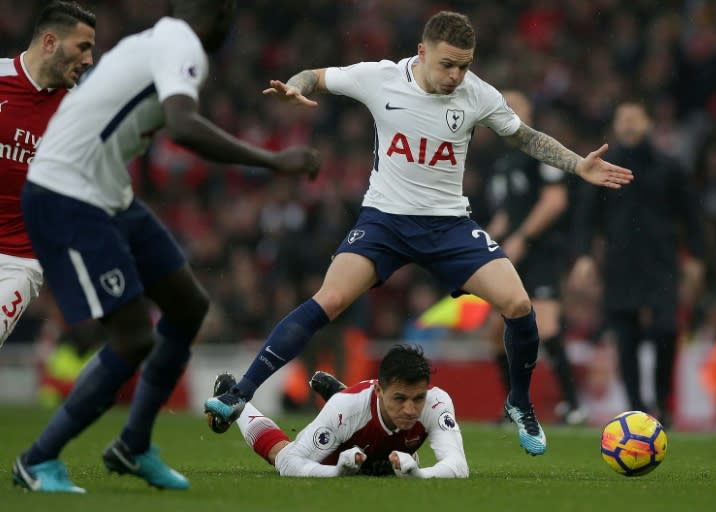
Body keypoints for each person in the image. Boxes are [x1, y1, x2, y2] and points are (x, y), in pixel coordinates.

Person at [205, 10, 633, 457]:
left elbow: (525, 137)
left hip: (448, 225)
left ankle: (519, 403)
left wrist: (576, 163)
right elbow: (316, 75)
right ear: (422, 52)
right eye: (447, 64)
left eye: (464, 65)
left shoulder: (478, 94)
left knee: (519, 304)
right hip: (384, 221)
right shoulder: (380, 78)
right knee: (328, 300)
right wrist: (295, 86)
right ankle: (241, 392)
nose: (456, 75)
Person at [13, 0, 320, 494]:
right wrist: (271, 161)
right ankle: (37, 459)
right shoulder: (181, 43)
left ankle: (133, 445)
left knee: (187, 304)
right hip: (67, 194)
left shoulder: (156, 40)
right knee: (133, 337)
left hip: (109, 193)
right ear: (215, 16)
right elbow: (181, 125)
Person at [570, 100, 704, 428]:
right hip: (620, 263)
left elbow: (692, 216)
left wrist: (696, 257)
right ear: (615, 126)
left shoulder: (669, 166)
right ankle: (637, 407)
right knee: (625, 338)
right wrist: (585, 256)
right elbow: (587, 218)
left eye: (635, 118)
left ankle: (663, 401)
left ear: (647, 123)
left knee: (666, 330)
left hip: (661, 262)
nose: (629, 124)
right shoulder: (604, 166)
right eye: (623, 119)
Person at [484, 91, 584, 425]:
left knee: (548, 324)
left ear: (529, 113)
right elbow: (503, 216)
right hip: (511, 254)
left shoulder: (539, 150)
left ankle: (573, 405)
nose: (508, 111)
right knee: (495, 332)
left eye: (516, 106)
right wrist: (482, 242)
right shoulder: (501, 161)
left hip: (540, 251)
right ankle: (515, 405)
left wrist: (523, 238)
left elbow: (554, 201)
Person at [0, 1, 95, 348]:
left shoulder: (78, 112)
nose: (88, 60)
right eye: (83, 47)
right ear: (51, 43)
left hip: (18, 260)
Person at [223, 345, 468, 478]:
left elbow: (458, 466)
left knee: (402, 462)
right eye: (400, 398)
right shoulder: (348, 409)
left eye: (418, 398)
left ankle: (343, 400)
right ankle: (238, 405)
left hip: (377, 442)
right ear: (379, 390)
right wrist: (337, 472)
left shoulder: (436, 402)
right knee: (281, 454)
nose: (410, 409)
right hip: (342, 446)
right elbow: (289, 464)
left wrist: (418, 474)